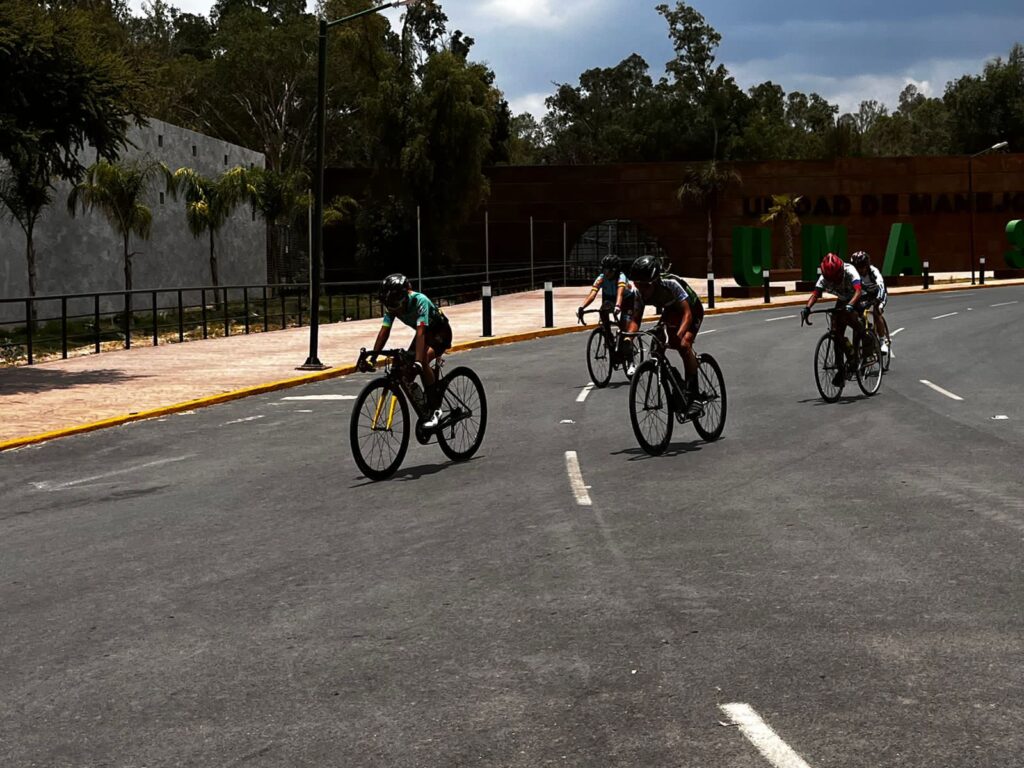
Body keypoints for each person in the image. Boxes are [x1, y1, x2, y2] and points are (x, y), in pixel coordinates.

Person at [359, 273, 452, 429]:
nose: (392, 309)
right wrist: (372, 358)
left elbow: (421, 332)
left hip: (439, 334)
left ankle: (435, 408)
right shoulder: (392, 306)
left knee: (421, 361)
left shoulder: (419, 301)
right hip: (422, 334)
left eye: (394, 305)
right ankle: (425, 408)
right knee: (406, 374)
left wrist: (418, 361)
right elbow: (384, 332)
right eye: (388, 305)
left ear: (403, 298)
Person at [629, 254, 705, 417]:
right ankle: (677, 384)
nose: (641, 289)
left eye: (645, 285)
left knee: (683, 345)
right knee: (656, 348)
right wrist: (628, 338)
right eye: (637, 284)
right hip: (670, 311)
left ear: (655, 281)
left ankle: (694, 396)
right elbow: (636, 319)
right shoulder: (639, 293)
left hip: (692, 309)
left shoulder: (671, 284)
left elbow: (687, 315)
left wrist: (679, 335)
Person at [800, 253, 864, 387]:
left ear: (841, 270)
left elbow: (858, 291)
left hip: (856, 299)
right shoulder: (823, 278)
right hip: (842, 300)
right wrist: (807, 308)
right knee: (836, 334)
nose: (834, 280)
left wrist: (850, 305)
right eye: (831, 278)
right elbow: (815, 294)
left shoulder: (850, 270)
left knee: (854, 322)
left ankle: (863, 346)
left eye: (837, 277)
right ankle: (843, 368)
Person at [577, 254, 642, 375]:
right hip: (609, 299)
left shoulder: (621, 277)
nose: (604, 271)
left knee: (625, 330)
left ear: (614, 270)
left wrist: (618, 306)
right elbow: (592, 294)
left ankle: (631, 361)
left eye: (607, 269)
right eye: (604, 269)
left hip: (627, 300)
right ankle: (609, 337)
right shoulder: (601, 278)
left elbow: (620, 294)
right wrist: (582, 306)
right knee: (603, 311)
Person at [850, 250, 891, 354]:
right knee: (857, 315)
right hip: (864, 294)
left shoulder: (873, 271)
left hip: (878, 293)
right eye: (857, 267)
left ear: (867, 265)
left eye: (862, 266)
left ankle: (882, 341)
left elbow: (881, 286)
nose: (859, 269)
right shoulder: (853, 274)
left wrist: (878, 301)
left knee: (877, 312)